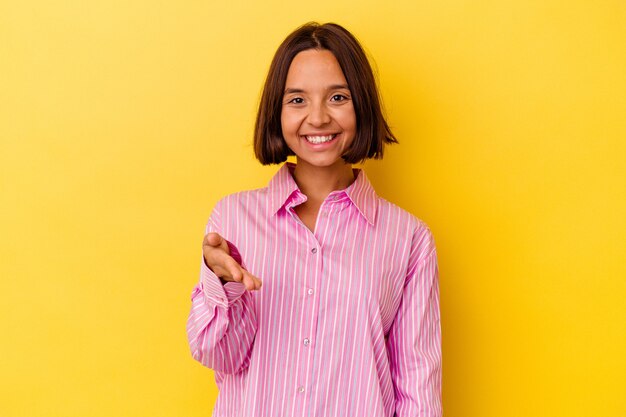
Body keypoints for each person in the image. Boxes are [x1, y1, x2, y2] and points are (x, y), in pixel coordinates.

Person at [186, 21, 442, 417]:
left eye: (337, 97)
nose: (319, 118)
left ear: (362, 104)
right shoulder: (233, 219)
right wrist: (222, 286)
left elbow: (418, 389)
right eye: (298, 100)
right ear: (278, 110)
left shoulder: (408, 239)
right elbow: (218, 355)